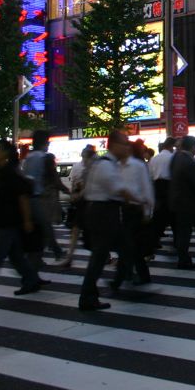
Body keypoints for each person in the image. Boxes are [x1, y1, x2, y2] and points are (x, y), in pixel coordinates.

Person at [0, 140, 42, 299]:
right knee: (15, 255)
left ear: (5, 153)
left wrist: (27, 220)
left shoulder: (11, 172)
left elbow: (22, 197)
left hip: (9, 219)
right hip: (3, 218)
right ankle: (31, 279)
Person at [78, 131, 134, 311]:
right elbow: (117, 188)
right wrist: (139, 198)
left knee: (116, 250)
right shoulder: (106, 165)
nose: (127, 147)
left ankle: (114, 283)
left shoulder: (107, 163)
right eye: (124, 143)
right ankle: (89, 296)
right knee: (101, 255)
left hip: (101, 212)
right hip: (103, 213)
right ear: (114, 145)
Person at [21, 130, 65, 267]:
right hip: (39, 198)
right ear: (44, 142)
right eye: (48, 142)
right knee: (46, 227)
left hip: (28, 198)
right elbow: (54, 178)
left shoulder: (28, 158)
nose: (48, 144)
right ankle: (57, 252)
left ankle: (36, 258)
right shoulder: (45, 158)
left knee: (38, 229)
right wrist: (67, 190)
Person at [116, 137, 154, 288]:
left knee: (132, 245)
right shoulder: (117, 165)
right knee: (127, 245)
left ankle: (127, 275)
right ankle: (129, 274)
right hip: (124, 209)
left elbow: (147, 188)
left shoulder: (138, 166)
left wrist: (147, 211)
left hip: (136, 209)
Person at [169, 136, 195, 269]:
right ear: (191, 147)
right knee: (185, 232)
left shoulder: (176, 157)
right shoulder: (189, 161)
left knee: (181, 231)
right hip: (186, 202)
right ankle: (183, 259)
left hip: (176, 200)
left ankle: (182, 256)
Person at [58, 144, 96, 267]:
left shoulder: (93, 167)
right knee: (76, 230)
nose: (84, 159)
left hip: (90, 202)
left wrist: (77, 193)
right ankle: (69, 257)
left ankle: (104, 255)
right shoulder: (80, 167)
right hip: (83, 203)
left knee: (88, 232)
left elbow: (87, 185)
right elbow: (75, 183)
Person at [148, 137, 176, 250]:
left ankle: (154, 240)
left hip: (157, 187)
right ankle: (177, 240)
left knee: (158, 216)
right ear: (171, 146)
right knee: (173, 215)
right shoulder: (172, 157)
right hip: (169, 187)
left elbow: (150, 175)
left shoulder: (154, 159)